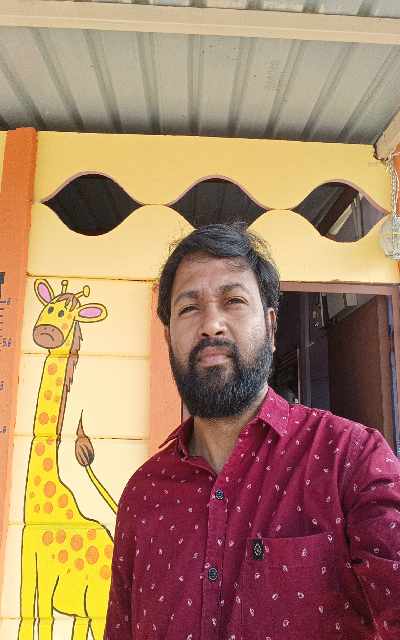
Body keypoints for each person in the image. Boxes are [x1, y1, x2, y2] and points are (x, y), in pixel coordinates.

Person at [104, 223, 400, 640]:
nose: (211, 325)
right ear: (169, 338)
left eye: (234, 300)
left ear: (272, 326)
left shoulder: (350, 460)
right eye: (189, 308)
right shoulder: (143, 495)